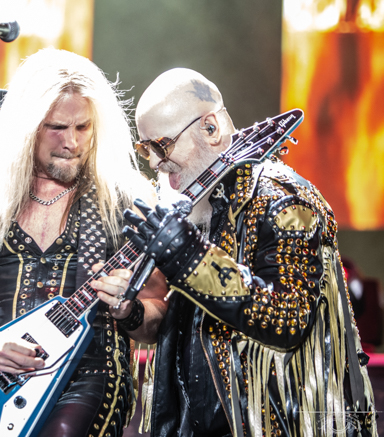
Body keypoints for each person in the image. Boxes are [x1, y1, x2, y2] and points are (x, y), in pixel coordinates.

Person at [0, 47, 168, 437]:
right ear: (26, 126)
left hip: (88, 377)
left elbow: (156, 317)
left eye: (83, 127)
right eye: (56, 127)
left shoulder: (129, 200)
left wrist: (129, 309)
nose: (71, 142)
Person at [123, 68, 377, 437]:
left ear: (211, 128)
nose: (154, 162)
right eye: (145, 148)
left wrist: (188, 256)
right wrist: (131, 311)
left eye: (162, 145)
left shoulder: (284, 198)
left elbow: (288, 317)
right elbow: (192, 332)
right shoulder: (198, 206)